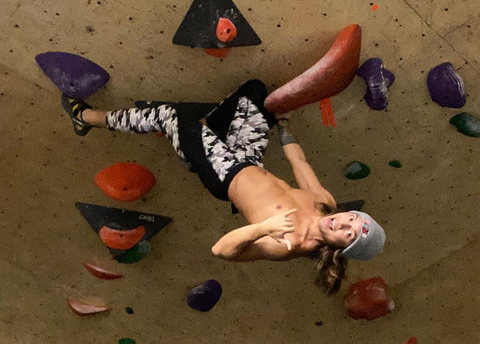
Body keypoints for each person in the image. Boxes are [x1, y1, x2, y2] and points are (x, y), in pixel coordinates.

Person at [62, 79, 385, 294]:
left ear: (342, 247)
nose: (342, 221)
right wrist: (284, 124)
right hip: (248, 161)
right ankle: (196, 143)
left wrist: (261, 228)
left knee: (169, 117)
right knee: (256, 93)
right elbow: (300, 165)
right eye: (352, 219)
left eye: (348, 232)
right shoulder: (324, 203)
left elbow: (223, 251)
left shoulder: (286, 243)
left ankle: (87, 118)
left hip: (225, 174)